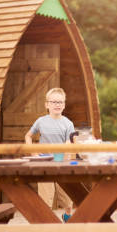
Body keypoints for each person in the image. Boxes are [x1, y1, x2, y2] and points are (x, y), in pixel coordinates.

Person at [25, 87, 75, 222]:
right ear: (47, 104)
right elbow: (28, 136)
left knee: (66, 196)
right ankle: (46, 221)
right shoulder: (41, 121)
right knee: (45, 195)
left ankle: (67, 215)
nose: (57, 105)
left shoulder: (68, 124)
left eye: (60, 102)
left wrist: (66, 156)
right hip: (44, 162)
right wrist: (33, 152)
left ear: (64, 105)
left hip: (62, 162)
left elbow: (69, 143)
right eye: (53, 102)